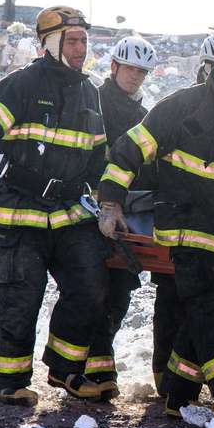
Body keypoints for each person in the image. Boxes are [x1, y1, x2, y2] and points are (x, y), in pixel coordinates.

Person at [98, 35, 214, 420]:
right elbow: (128, 151)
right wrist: (110, 202)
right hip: (186, 229)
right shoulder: (181, 108)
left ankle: (177, 394)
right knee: (207, 306)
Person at [0, 6, 110, 405]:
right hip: (20, 212)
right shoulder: (21, 85)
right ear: (50, 43)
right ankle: (9, 384)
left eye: (84, 40)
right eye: (73, 40)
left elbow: (100, 157)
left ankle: (66, 371)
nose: (81, 48)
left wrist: (108, 200)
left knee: (90, 287)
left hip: (70, 212)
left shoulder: (90, 91)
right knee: (20, 299)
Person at [86, 36, 158, 400]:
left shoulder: (142, 114)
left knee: (119, 291)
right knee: (98, 289)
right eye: (130, 68)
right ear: (114, 67)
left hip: (129, 212)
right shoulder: (95, 102)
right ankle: (94, 370)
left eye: (142, 71)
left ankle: (96, 368)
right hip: (94, 210)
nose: (136, 76)